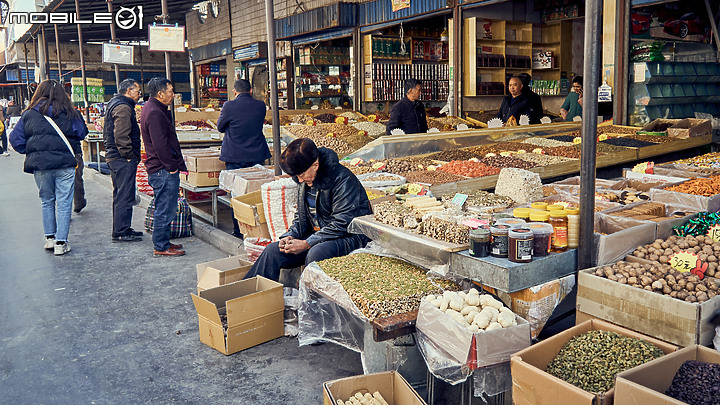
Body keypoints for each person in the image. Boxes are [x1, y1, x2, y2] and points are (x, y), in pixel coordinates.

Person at [243, 138, 372, 282]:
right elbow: (301, 216)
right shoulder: (305, 179)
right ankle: (252, 294)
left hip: (350, 236)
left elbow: (342, 224)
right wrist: (290, 235)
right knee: (273, 251)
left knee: (316, 253)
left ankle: (310, 302)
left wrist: (307, 243)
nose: (299, 180)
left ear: (315, 165)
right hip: (320, 234)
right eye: (297, 176)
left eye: (302, 175)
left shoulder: (343, 180)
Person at [9, 79, 88, 255]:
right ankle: (61, 243)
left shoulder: (28, 114)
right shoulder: (70, 112)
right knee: (64, 202)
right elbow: (82, 132)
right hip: (65, 164)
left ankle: (49, 239)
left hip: (40, 165)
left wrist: (33, 150)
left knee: (47, 200)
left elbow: (16, 140)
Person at [216, 78, 270, 238]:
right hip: (257, 154)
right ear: (251, 91)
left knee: (238, 193)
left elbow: (220, 127)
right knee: (257, 192)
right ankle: (258, 228)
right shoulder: (261, 106)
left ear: (234, 92)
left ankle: (239, 229)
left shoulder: (229, 106)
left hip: (235, 155)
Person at [140, 77, 187, 257]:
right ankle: (160, 246)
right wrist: (171, 167)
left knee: (167, 206)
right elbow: (160, 145)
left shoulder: (154, 109)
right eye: (170, 91)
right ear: (160, 94)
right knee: (164, 208)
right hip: (162, 169)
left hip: (161, 167)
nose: (173, 95)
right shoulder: (154, 112)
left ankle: (164, 241)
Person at [105, 79, 143, 242]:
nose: (140, 94)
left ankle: (123, 227)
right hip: (121, 158)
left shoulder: (117, 103)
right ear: (129, 91)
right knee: (124, 195)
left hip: (116, 157)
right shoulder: (123, 107)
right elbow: (121, 135)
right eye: (138, 91)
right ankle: (120, 231)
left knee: (121, 193)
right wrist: (129, 155)